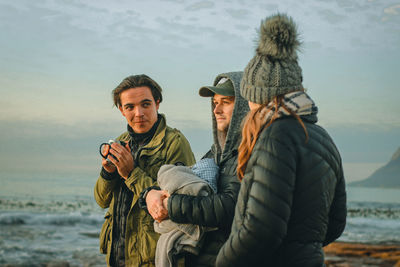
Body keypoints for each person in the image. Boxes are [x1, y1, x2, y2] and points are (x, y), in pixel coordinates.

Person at [216, 14, 347, 267]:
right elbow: (336, 223)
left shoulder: (275, 136)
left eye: (250, 97)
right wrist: (301, 246)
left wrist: (222, 262)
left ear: (261, 96)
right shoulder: (323, 138)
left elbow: (259, 231)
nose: (249, 106)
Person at [142, 72, 249, 266]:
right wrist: (150, 195)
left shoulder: (250, 152)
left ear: (244, 106)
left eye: (225, 102)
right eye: (215, 103)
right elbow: (189, 182)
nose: (217, 110)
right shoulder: (217, 152)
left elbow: (230, 207)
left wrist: (170, 206)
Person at [94, 74, 195, 267]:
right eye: (130, 107)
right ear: (121, 110)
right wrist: (108, 173)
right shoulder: (121, 141)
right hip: (118, 256)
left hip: (153, 258)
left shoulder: (175, 143)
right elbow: (101, 200)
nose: (138, 113)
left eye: (146, 104)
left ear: (157, 103)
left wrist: (131, 173)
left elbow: (181, 204)